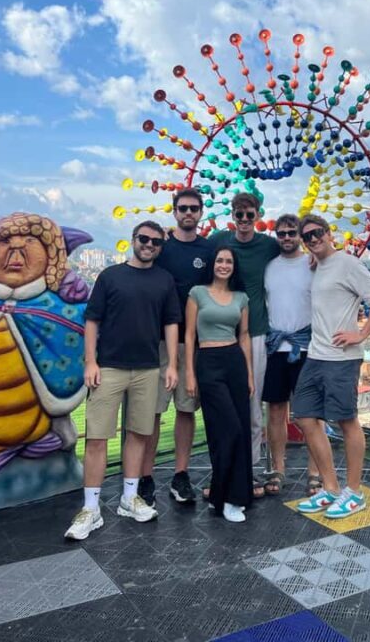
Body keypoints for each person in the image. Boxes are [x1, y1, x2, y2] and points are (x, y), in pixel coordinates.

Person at [65, 222, 181, 540]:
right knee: (98, 438)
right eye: (144, 239)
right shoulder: (110, 276)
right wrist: (90, 361)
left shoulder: (164, 280)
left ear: (161, 247)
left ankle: (129, 498)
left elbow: (171, 323)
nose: (149, 245)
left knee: (139, 434)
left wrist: (171, 364)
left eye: (156, 242)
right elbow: (92, 320)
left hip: (147, 369)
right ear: (133, 241)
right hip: (110, 367)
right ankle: (91, 508)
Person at [292, 214, 370, 519]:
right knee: (306, 417)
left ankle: (355, 491)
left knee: (346, 421)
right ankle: (331, 487)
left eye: (317, 233)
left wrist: (361, 333)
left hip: (342, 358)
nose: (313, 239)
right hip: (316, 355)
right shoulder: (318, 265)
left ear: (328, 232)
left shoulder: (347, 263)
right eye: (306, 236)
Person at [140, 188, 214, 506]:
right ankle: (145, 476)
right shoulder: (161, 247)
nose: (188, 213)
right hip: (157, 342)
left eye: (193, 208)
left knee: (186, 410)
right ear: (174, 211)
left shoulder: (208, 250)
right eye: (182, 208)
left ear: (201, 212)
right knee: (153, 412)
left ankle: (181, 474)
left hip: (192, 343)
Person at [210, 193, 279, 481]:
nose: (245, 221)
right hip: (221, 335)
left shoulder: (268, 246)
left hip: (255, 334)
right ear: (233, 216)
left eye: (250, 215)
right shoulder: (220, 242)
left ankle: (249, 469)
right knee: (223, 405)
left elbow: (294, 256)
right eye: (240, 215)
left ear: (258, 215)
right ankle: (226, 469)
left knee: (252, 404)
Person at [185, 246, 254, 522]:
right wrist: (190, 373)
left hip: (234, 361)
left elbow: (245, 335)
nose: (224, 265)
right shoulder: (197, 293)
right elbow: (189, 335)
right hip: (208, 362)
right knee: (226, 430)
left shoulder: (241, 297)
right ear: (212, 264)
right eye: (219, 260)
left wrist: (249, 373)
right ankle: (224, 496)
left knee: (241, 429)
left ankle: (229, 498)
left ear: (234, 266)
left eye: (228, 261)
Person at [262, 214, 322, 496]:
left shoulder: (313, 264)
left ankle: (315, 470)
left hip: (307, 348)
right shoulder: (269, 267)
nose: (286, 238)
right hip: (275, 348)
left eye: (291, 233)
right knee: (275, 411)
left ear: (300, 235)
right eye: (281, 233)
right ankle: (278, 468)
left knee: (310, 412)